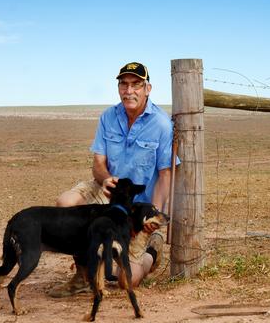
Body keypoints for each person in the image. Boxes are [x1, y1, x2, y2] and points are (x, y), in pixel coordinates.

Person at [48, 61, 176, 298]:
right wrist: (106, 179)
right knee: (65, 205)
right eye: (124, 85)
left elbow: (165, 174)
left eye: (136, 84)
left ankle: (151, 254)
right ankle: (83, 276)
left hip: (136, 206)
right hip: (105, 192)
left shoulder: (161, 124)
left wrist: (154, 215)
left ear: (148, 88)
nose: (129, 91)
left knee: (124, 280)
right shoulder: (109, 116)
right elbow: (98, 164)